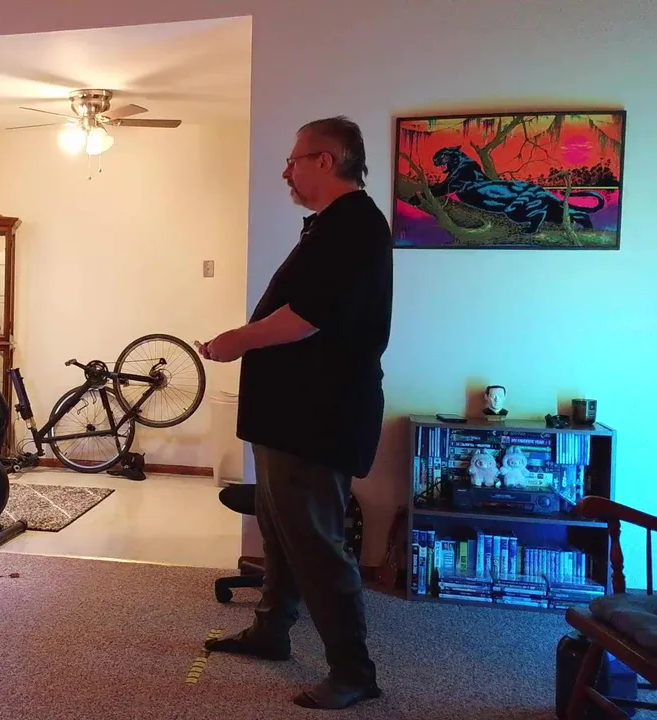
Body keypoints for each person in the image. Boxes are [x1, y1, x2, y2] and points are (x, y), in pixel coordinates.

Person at [197, 116, 392, 711]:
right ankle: (271, 631)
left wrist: (236, 339)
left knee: (315, 541)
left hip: (316, 416)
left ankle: (353, 672)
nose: (286, 171)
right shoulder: (331, 225)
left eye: (294, 159)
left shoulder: (353, 224)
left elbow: (307, 317)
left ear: (326, 161)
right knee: (281, 531)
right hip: (290, 414)